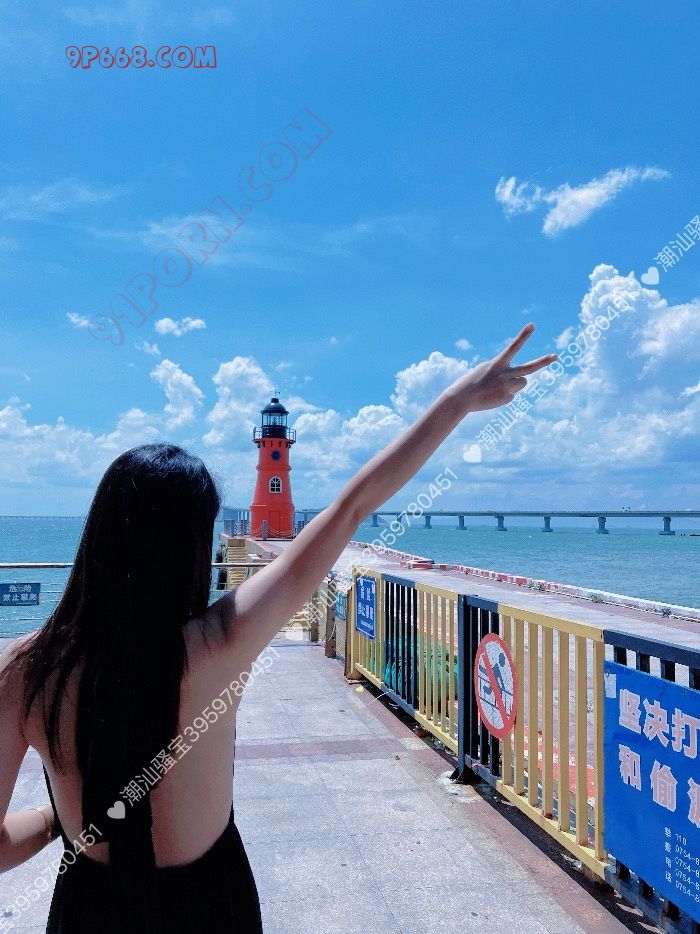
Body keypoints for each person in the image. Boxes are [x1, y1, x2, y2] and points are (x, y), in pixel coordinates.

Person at [0, 324, 555, 932]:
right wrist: (456, 401)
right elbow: (351, 507)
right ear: (193, 547)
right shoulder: (220, 641)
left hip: (89, 910)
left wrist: (57, 819)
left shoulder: (25, 670)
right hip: (210, 908)